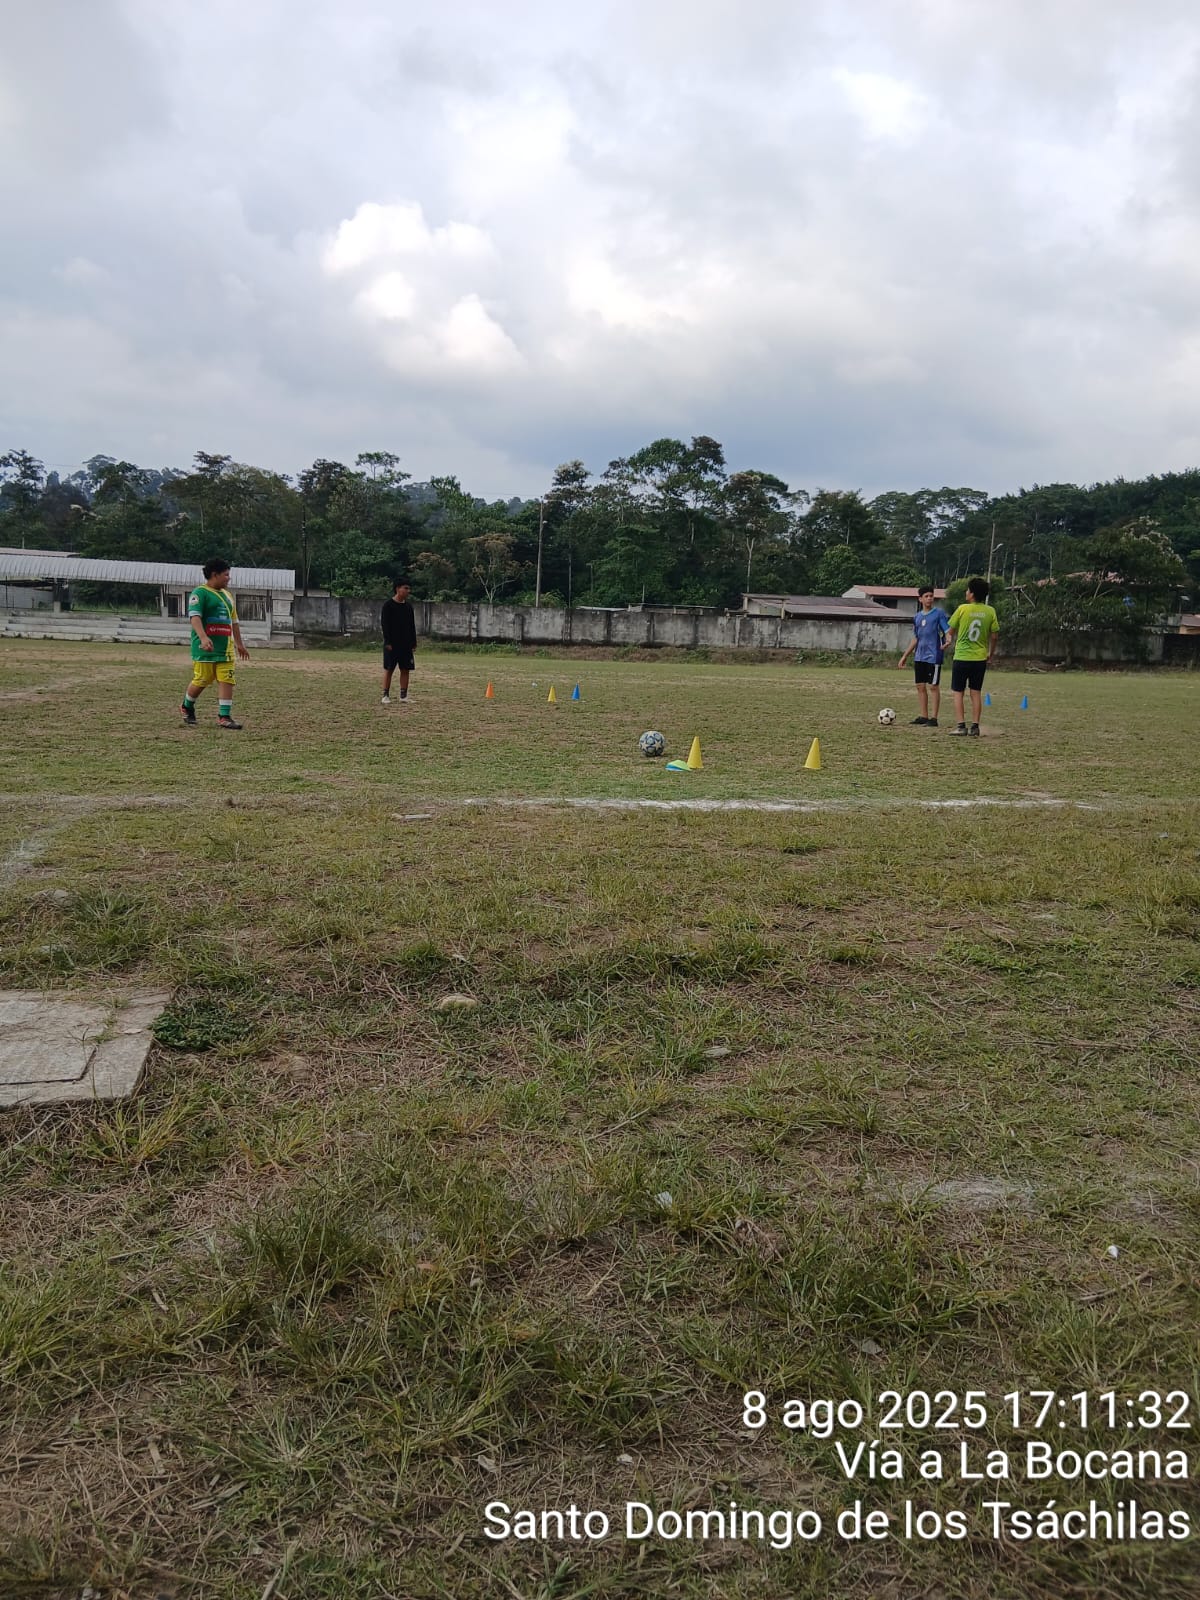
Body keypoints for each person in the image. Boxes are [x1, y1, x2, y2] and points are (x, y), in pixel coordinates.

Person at [180, 559, 249, 728]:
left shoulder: (228, 596)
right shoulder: (200, 593)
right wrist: (203, 638)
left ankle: (224, 717)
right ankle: (187, 706)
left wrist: (239, 644)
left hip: (225, 648)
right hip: (205, 648)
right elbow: (195, 617)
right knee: (202, 679)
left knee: (227, 679)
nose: (229, 578)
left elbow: (234, 622)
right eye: (226, 575)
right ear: (214, 575)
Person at [944, 577, 1000, 737]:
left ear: (972, 593)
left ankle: (961, 726)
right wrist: (991, 653)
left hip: (962, 657)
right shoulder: (990, 611)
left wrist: (948, 640)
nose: (966, 592)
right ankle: (975, 727)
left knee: (958, 692)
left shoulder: (962, 609)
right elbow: (994, 636)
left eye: (968, 590)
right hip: (979, 659)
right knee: (975, 692)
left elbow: (950, 631)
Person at [897, 584, 950, 725]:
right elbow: (916, 638)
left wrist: (948, 640)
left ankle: (934, 718)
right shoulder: (917, 617)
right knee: (920, 686)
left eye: (931, 596)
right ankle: (924, 716)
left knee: (933, 686)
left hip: (934, 656)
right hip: (920, 656)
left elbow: (947, 630)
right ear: (920, 599)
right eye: (926, 596)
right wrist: (905, 656)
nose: (929, 598)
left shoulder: (939, 614)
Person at [380, 579, 416, 705]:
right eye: (405, 588)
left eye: (409, 588)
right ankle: (385, 695)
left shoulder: (408, 607)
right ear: (397, 589)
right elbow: (385, 625)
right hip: (392, 644)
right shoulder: (388, 605)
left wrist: (413, 642)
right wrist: (387, 642)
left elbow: (412, 626)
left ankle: (403, 696)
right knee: (389, 669)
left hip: (406, 644)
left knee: (405, 669)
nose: (408, 591)